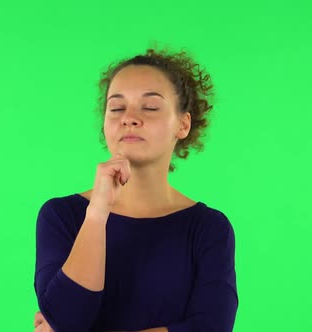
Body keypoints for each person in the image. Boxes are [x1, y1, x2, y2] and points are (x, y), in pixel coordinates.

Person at [33, 47, 238, 332]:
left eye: (150, 107)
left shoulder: (208, 228)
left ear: (183, 123)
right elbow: (67, 319)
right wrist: (96, 214)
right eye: (116, 108)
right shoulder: (61, 216)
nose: (129, 118)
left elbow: (211, 327)